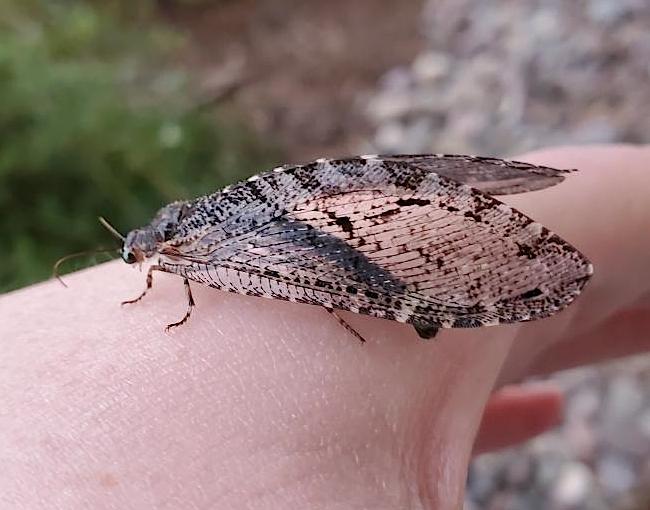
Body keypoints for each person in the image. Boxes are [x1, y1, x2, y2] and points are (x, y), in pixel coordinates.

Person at [1, 145, 648, 509]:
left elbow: (286, 269)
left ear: (148, 253)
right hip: (294, 218)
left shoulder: (186, 254)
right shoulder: (175, 244)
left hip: (323, 248)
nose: (142, 263)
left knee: (325, 274)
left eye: (140, 260)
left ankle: (414, 298)